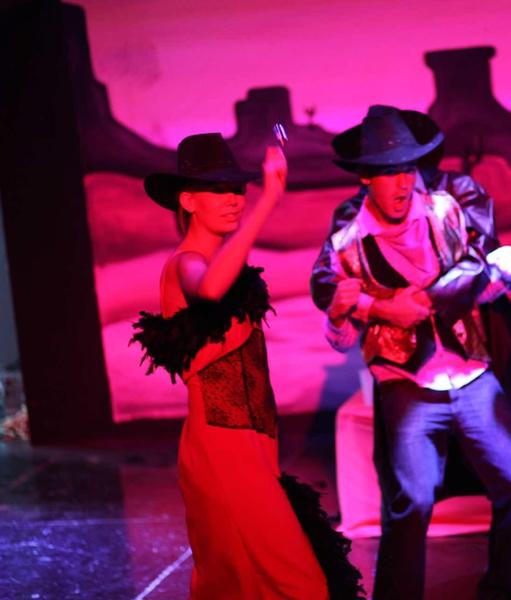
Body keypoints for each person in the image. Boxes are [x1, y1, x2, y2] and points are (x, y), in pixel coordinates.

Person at [311, 105, 511, 600]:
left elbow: (483, 263)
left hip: (473, 371)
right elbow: (330, 295)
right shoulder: (350, 231)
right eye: (388, 172)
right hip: (406, 382)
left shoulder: (449, 203)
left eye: (407, 169)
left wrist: (421, 301)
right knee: (410, 500)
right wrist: (377, 308)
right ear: (365, 178)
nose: (401, 183)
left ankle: (503, 587)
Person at [131, 133, 363, 599]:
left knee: (239, 582)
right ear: (188, 200)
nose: (234, 200)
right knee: (298, 582)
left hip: (253, 443)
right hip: (220, 447)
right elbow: (209, 290)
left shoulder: (223, 263)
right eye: (220, 191)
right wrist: (268, 200)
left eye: (238, 189)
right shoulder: (186, 264)